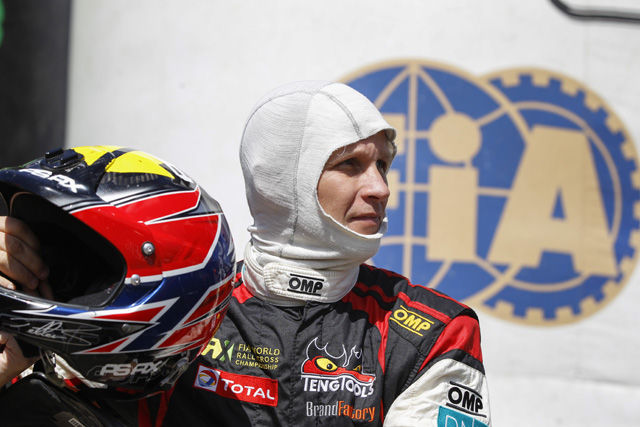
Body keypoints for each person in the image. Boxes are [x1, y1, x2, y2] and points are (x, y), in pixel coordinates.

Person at [0, 81, 491, 426]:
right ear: (281, 177)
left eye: (383, 165)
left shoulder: (435, 332)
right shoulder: (174, 303)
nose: (379, 188)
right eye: (351, 164)